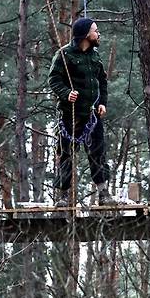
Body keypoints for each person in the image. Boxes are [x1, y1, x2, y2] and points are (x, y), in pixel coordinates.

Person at [48, 18, 117, 207]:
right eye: (96, 30)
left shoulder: (95, 56)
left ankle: (103, 194)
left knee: (98, 152)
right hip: (70, 115)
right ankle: (62, 197)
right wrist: (66, 93)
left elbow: (102, 81)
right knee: (66, 154)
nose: (99, 33)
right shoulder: (64, 55)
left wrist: (102, 102)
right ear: (86, 35)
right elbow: (54, 79)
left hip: (93, 115)